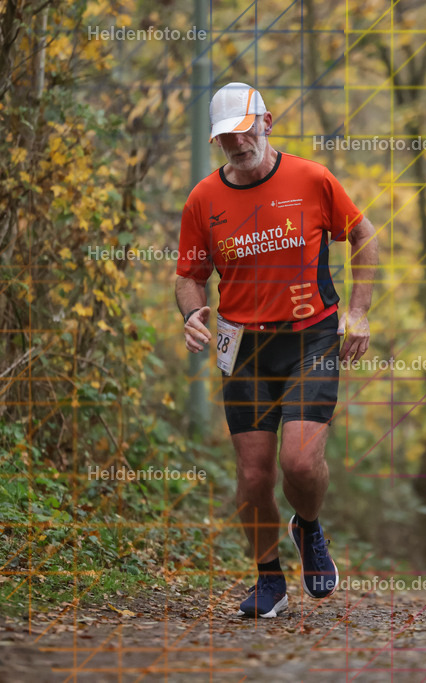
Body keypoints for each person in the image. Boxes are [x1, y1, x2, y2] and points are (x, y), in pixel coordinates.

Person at [175, 82, 379, 618]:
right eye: (226, 137)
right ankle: (269, 579)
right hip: (244, 348)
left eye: (246, 131)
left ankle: (308, 527)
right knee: (253, 476)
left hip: (310, 336)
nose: (238, 143)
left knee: (301, 464)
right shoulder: (203, 199)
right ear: (216, 140)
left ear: (267, 122)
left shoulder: (311, 179)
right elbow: (189, 275)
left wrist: (359, 312)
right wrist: (192, 314)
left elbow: (365, 236)